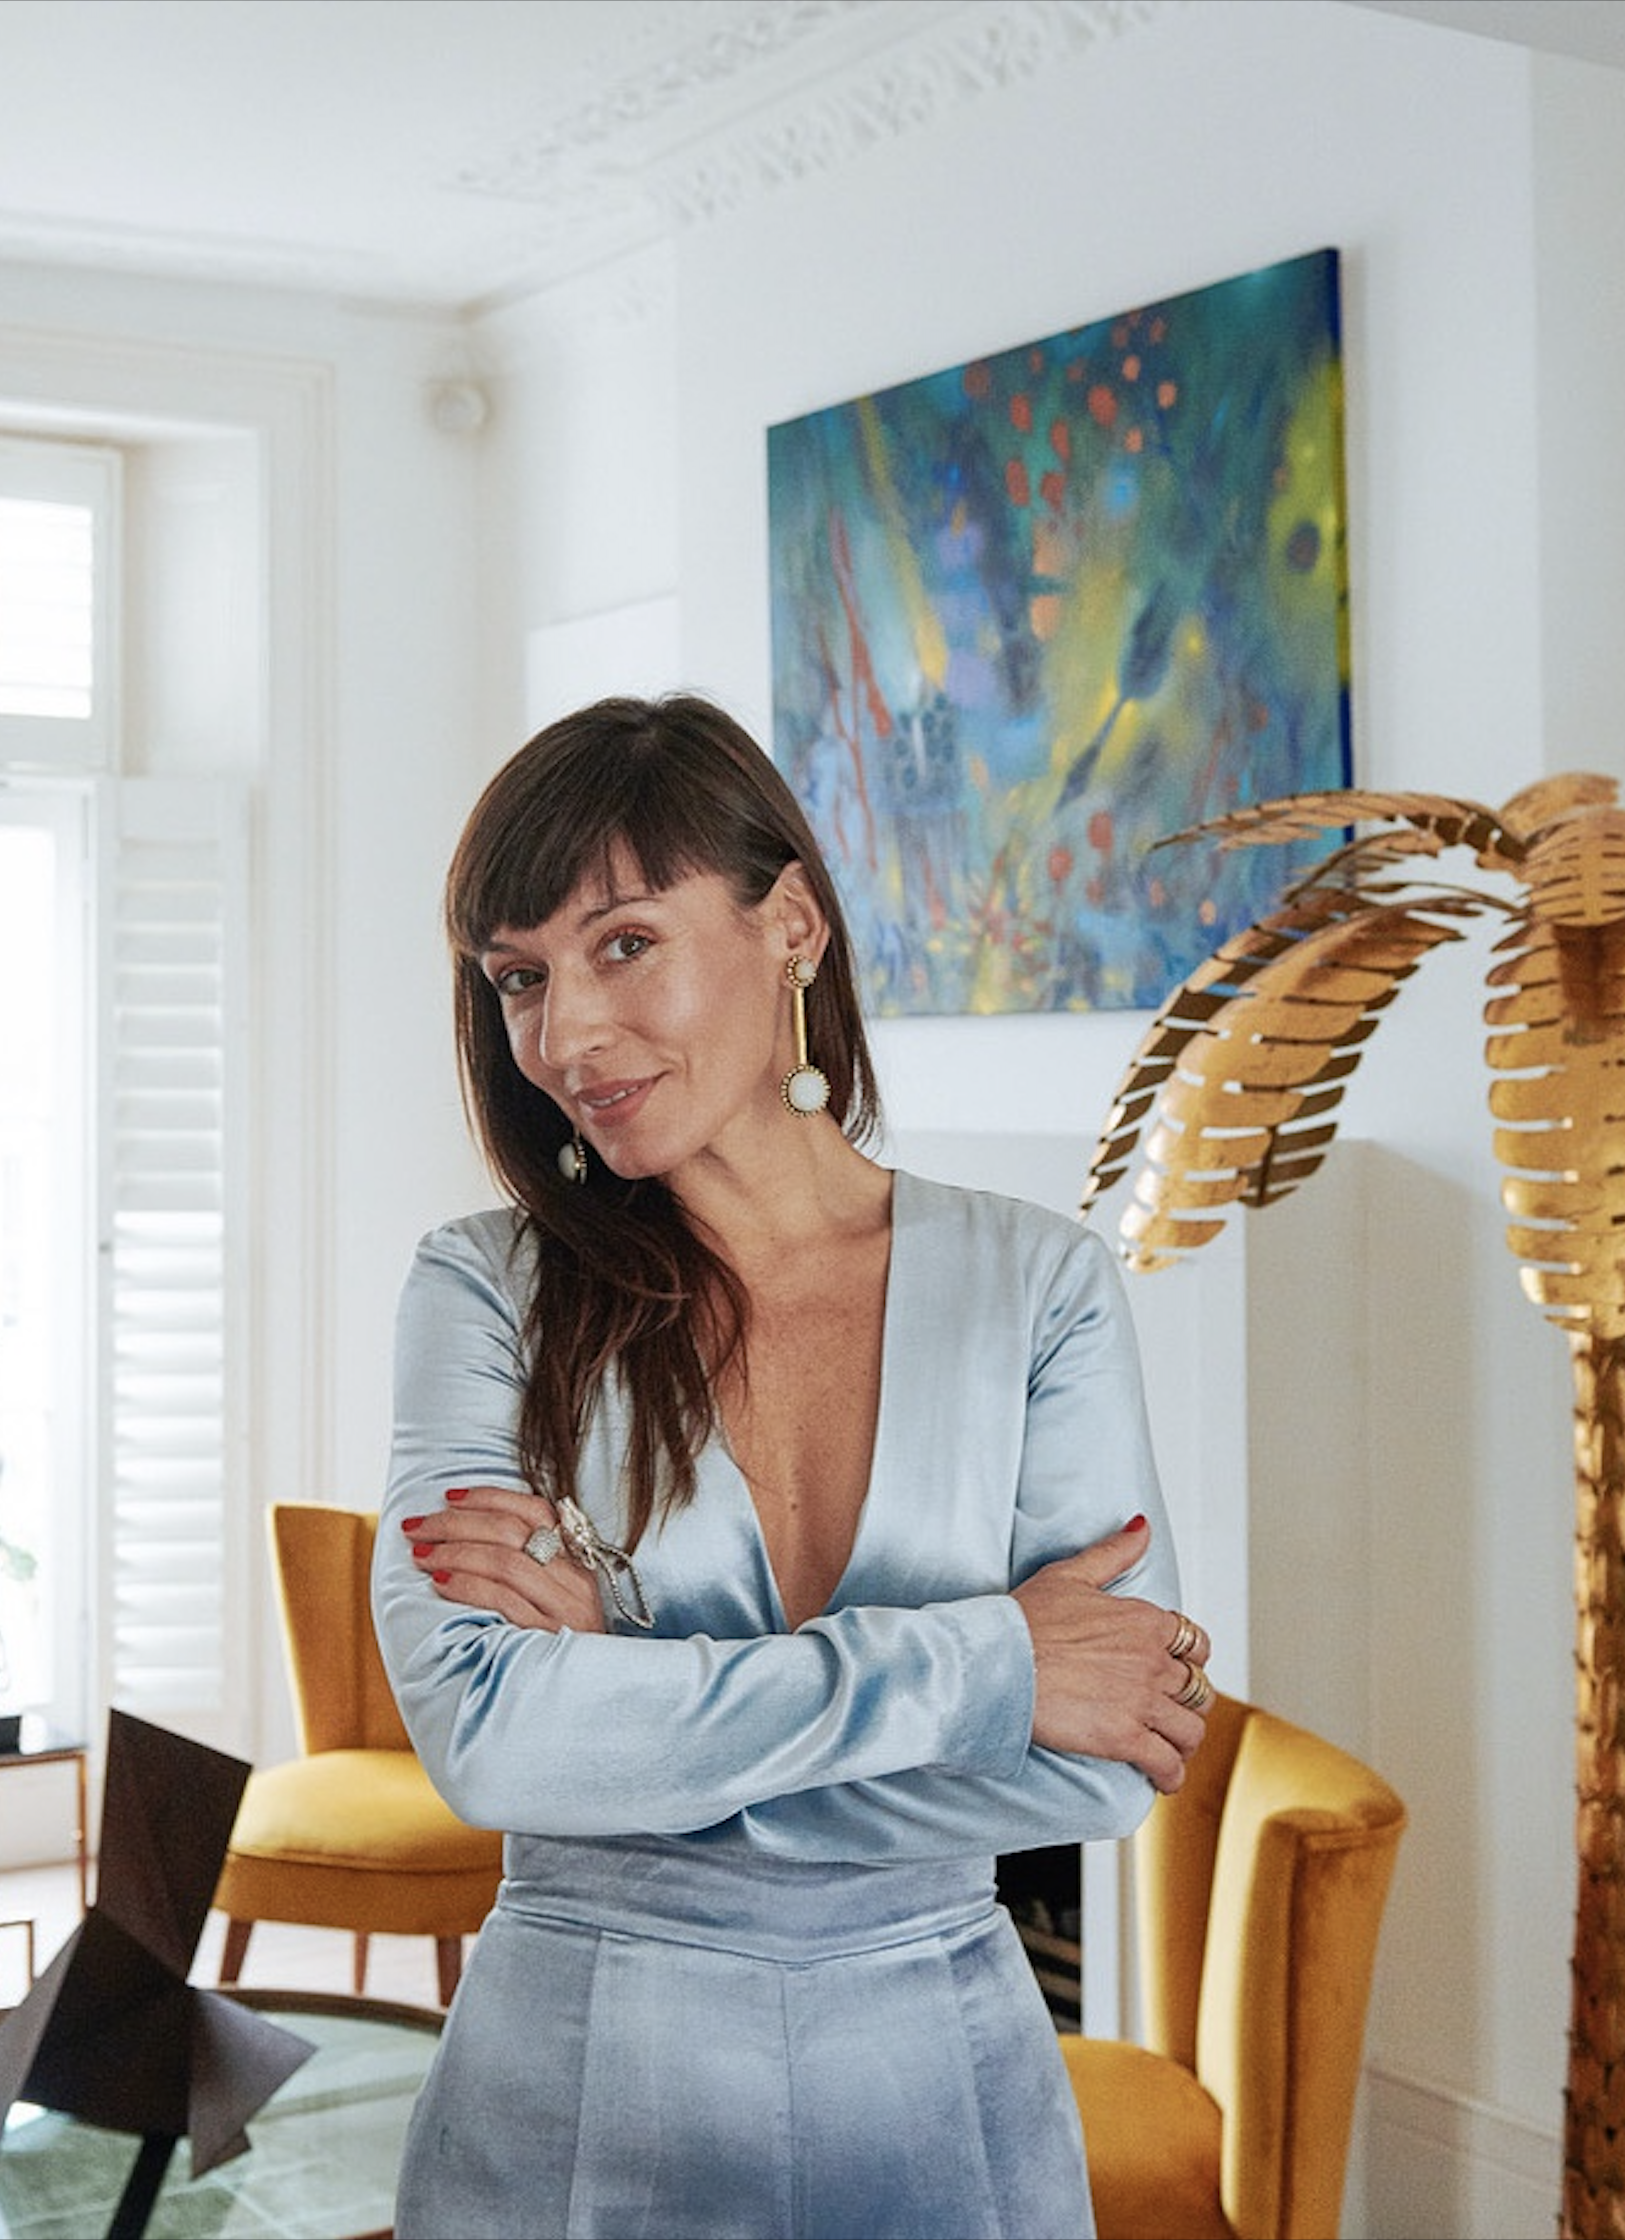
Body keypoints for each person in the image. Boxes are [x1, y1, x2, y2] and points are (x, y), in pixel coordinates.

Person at [371, 693, 1213, 2240]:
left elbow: (1106, 1755)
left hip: (941, 2112)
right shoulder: (486, 1288)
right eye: (520, 978)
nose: (565, 1034)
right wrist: (993, 1665)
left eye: (625, 943)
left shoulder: (1041, 1285)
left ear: (794, 929)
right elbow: (488, 1737)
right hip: (569, 2120)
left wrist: (632, 1701)